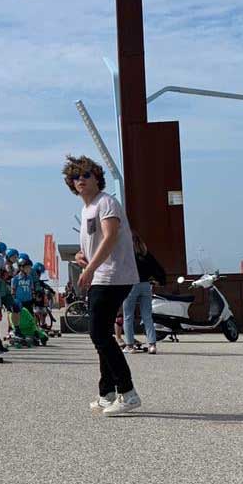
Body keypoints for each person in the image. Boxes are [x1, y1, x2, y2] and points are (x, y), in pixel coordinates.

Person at [64, 155, 142, 416]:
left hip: (113, 276)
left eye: (86, 174)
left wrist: (89, 269)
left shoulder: (106, 203)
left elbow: (110, 237)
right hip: (102, 275)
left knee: (98, 333)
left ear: (97, 177)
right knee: (102, 334)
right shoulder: (88, 209)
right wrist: (81, 256)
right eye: (76, 177)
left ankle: (128, 392)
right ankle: (106, 392)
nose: (81, 180)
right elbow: (97, 244)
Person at [122, 233, 166, 355]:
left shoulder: (127, 255)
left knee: (128, 316)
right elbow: (159, 269)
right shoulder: (146, 255)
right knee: (147, 316)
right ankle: (152, 345)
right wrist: (161, 281)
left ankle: (130, 346)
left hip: (131, 285)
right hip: (146, 285)